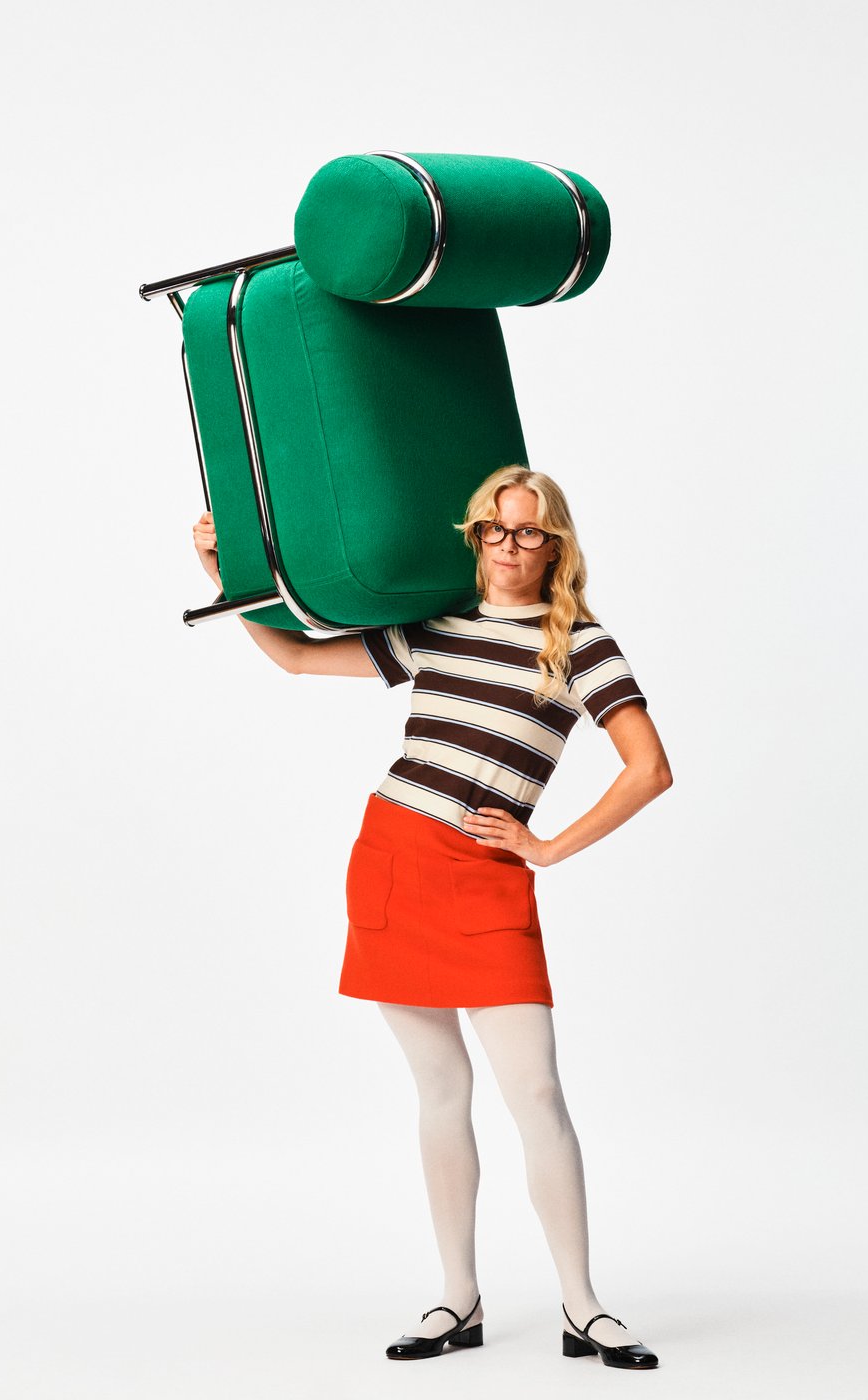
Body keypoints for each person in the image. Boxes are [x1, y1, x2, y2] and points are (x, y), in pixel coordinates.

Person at [191, 465, 672, 1370]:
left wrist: (549, 846)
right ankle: (459, 1299)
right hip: (394, 857)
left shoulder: (581, 646)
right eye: (493, 528)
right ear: (474, 535)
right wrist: (229, 584)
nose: (507, 546)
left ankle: (583, 1306)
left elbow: (650, 768)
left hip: (488, 879)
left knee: (535, 1093)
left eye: (528, 532)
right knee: (441, 1093)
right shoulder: (435, 626)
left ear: (556, 545)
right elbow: (297, 656)